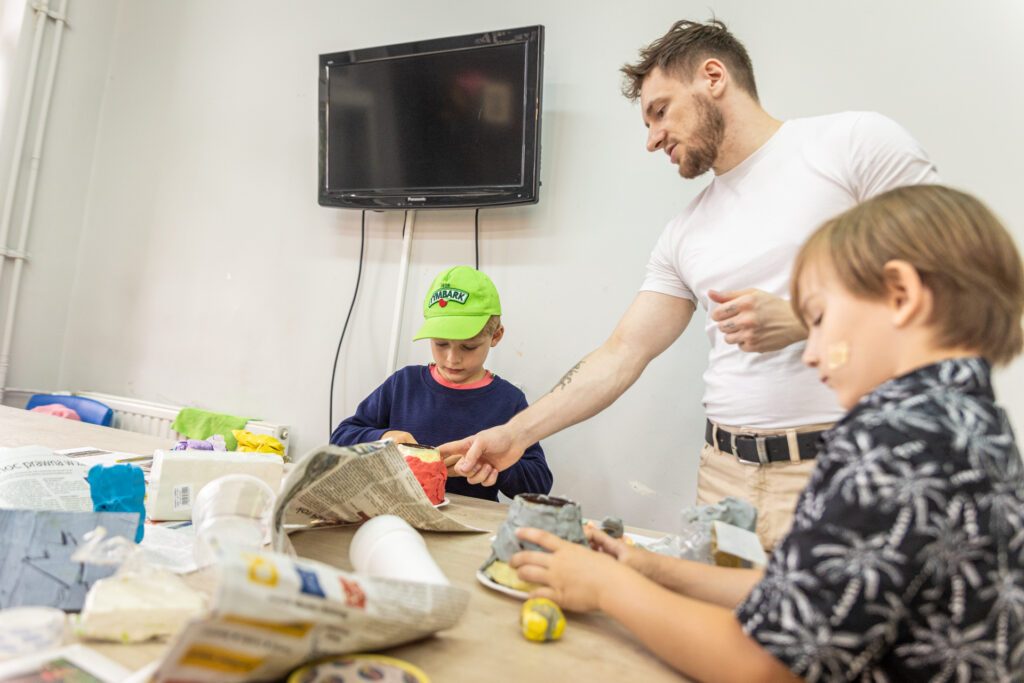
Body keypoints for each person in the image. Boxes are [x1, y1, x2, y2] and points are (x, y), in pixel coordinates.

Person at [442, 18, 939, 549]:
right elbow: (621, 353)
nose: (653, 139)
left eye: (660, 111)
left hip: (844, 461)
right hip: (724, 479)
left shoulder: (853, 144)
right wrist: (513, 435)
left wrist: (806, 319)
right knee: (724, 628)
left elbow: (947, 281)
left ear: (713, 77)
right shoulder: (686, 230)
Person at [508, 184, 1024, 681]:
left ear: (901, 294)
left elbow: (766, 664)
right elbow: (804, 592)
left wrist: (606, 587)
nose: (812, 350)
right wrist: (651, 569)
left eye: (819, 319)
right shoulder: (971, 426)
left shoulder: (894, 439)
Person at [330, 265, 552, 502]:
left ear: (496, 336)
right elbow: (340, 439)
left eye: (469, 347)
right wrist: (384, 439)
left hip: (470, 523)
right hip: (399, 514)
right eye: (440, 344)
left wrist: (498, 464)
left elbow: (539, 485)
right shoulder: (403, 384)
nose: (452, 359)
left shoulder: (509, 401)